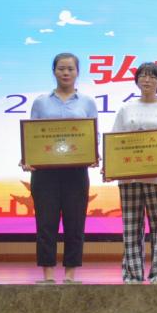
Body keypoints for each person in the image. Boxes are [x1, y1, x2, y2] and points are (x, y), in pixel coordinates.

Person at [23, 52, 98, 284]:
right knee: (46, 224)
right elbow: (32, 136)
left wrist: (94, 154)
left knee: (75, 224)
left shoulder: (87, 102)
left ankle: (70, 275)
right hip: (45, 174)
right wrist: (27, 158)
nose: (66, 73)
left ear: (77, 72)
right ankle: (47, 274)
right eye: (61, 68)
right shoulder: (40, 102)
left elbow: (92, 135)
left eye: (70, 69)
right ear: (54, 71)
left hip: (76, 172)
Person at [110, 62, 157, 284]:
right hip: (129, 177)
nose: (147, 80)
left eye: (152, 77)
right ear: (137, 80)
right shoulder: (126, 108)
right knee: (131, 227)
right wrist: (111, 167)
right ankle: (132, 275)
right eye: (143, 76)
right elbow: (115, 141)